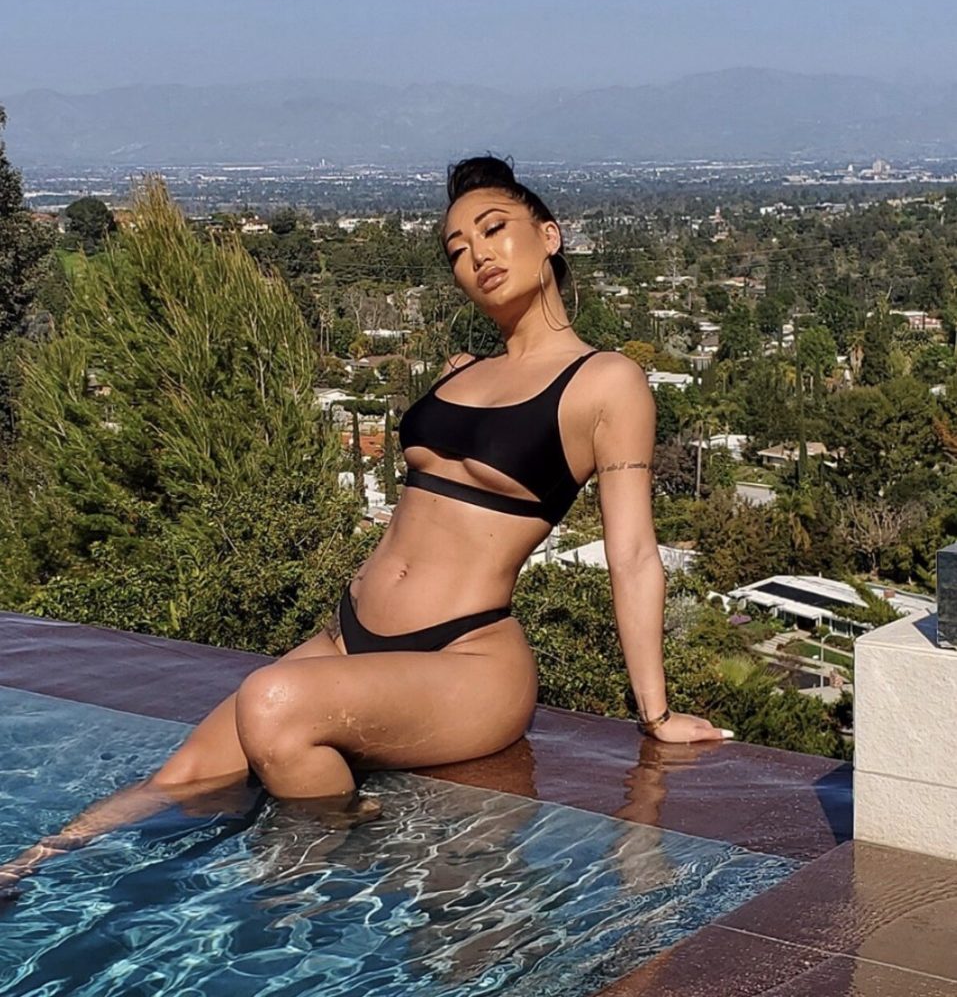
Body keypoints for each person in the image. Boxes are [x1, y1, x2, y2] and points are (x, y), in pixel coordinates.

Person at [0, 156, 732, 897]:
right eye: (456, 249)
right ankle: (27, 868)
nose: (477, 255)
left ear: (549, 236)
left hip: (467, 660)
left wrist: (656, 713)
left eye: (493, 229)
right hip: (350, 636)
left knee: (271, 704)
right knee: (187, 772)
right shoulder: (459, 370)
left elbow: (632, 554)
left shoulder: (605, 382)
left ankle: (356, 850)